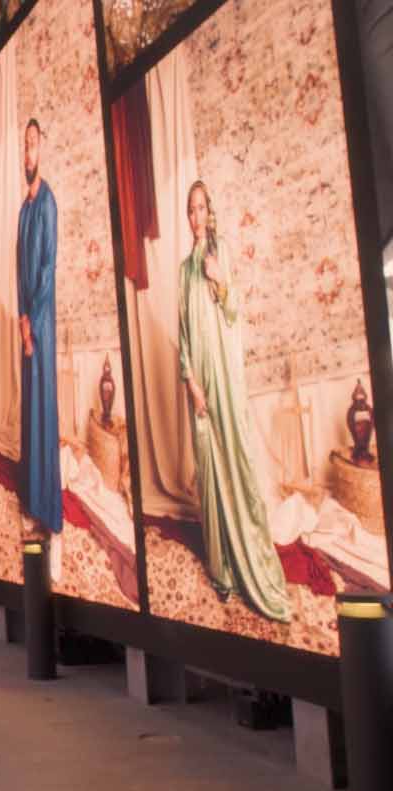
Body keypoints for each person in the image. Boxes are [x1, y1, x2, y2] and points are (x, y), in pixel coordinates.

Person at [178, 181, 292, 622]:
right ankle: (221, 569)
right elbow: (184, 331)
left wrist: (221, 281)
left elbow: (233, 312)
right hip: (201, 385)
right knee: (208, 468)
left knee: (236, 460)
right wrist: (191, 381)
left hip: (225, 378)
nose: (195, 216)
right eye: (190, 210)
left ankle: (252, 564)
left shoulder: (218, 252)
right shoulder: (184, 269)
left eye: (201, 208)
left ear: (210, 211)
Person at [16, 118, 62, 542]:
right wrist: (19, 320)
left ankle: (48, 514)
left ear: (41, 150)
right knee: (28, 410)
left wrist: (33, 325)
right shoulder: (23, 209)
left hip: (42, 328)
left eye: (32, 144)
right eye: (23, 145)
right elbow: (20, 272)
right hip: (27, 325)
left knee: (43, 411)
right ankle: (31, 501)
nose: (27, 153)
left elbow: (47, 272)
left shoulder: (47, 205)